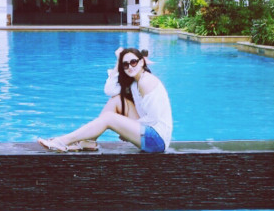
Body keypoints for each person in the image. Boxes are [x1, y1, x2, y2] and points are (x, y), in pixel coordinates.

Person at [37, 47, 172, 153]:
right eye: (125, 64)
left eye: (133, 62)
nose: (130, 67)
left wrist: (126, 128)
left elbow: (154, 119)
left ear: (142, 62)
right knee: (117, 100)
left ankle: (62, 141)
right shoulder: (135, 81)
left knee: (109, 118)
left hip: (156, 140)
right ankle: (89, 141)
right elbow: (109, 90)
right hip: (148, 133)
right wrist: (118, 63)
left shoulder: (146, 82)